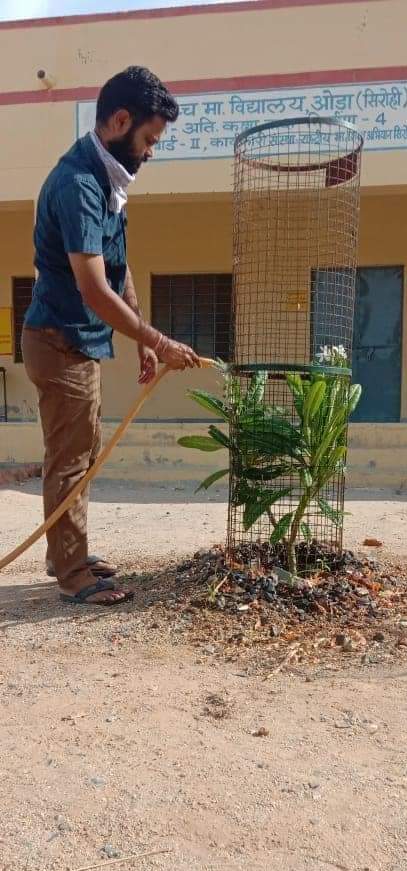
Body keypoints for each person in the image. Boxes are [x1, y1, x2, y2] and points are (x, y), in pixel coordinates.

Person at [22, 66, 200, 607]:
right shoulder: (78, 184)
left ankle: (64, 552)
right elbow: (95, 290)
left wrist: (143, 340)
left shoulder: (106, 181)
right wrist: (161, 340)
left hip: (74, 342)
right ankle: (72, 573)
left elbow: (119, 270)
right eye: (148, 139)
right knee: (71, 458)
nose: (149, 152)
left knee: (81, 450)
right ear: (120, 121)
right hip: (58, 341)